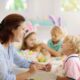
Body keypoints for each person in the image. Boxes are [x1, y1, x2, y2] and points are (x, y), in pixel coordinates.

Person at [0, 14, 51, 80]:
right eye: (23, 29)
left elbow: (21, 61)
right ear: (12, 29)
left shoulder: (9, 45)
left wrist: (40, 66)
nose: (24, 32)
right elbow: (5, 78)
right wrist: (29, 73)